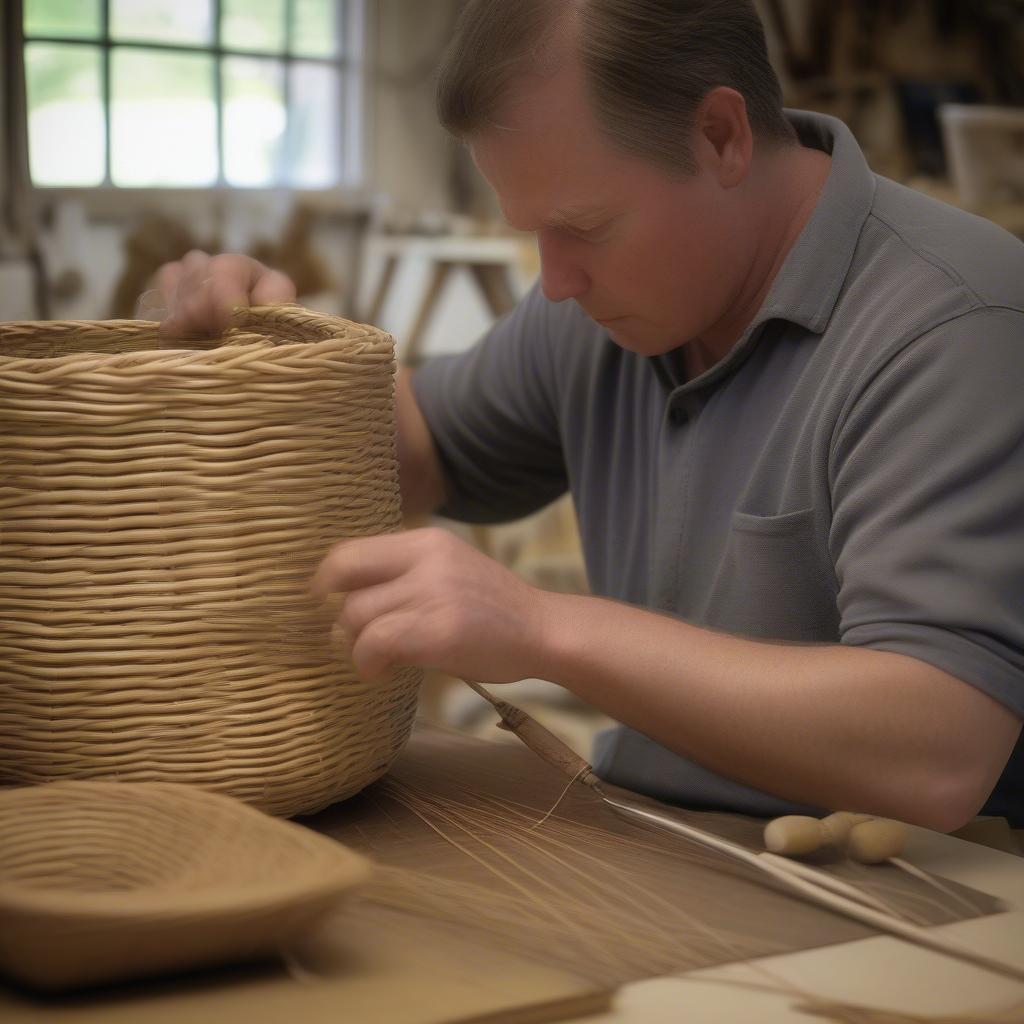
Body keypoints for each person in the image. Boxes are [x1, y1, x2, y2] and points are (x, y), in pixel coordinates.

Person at [150, 0, 1024, 831]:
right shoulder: (606, 310)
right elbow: (404, 450)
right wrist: (236, 366)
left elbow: (941, 750)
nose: (556, 281)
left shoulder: (954, 324)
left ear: (721, 136)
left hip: (915, 901)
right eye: (534, 231)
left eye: (586, 226)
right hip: (668, 846)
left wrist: (544, 628)